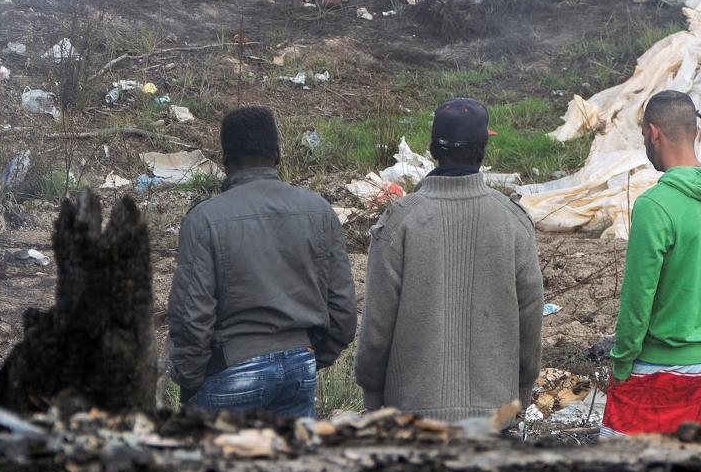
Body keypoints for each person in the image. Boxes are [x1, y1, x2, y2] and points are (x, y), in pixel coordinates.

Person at [354, 98, 544, 420]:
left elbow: (377, 324)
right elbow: (530, 315)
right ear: (484, 149)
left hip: (413, 416)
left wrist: (373, 394)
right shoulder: (512, 220)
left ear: (432, 151)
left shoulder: (400, 220)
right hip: (494, 414)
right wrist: (522, 390)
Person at [168, 106, 357, 417]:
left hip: (230, 368)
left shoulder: (204, 219)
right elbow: (343, 306)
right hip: (299, 366)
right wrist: (313, 355)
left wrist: (190, 381)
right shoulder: (320, 211)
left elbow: (191, 316)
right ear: (277, 155)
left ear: (225, 161)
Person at [600, 90, 701, 437]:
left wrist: (622, 363)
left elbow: (638, 298)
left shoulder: (655, 206)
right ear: (696, 132)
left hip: (664, 369)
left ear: (654, 134)